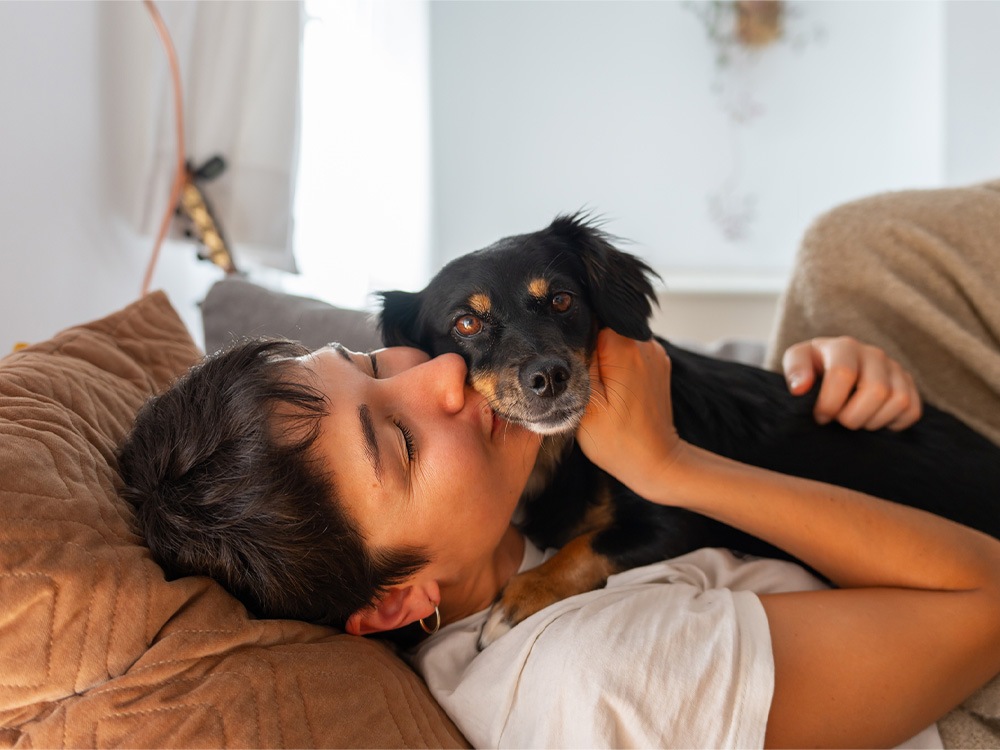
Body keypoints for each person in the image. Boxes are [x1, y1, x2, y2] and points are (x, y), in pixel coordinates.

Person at [117, 320, 1000, 748]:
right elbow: (987, 601)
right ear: (392, 602)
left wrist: (836, 384)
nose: (447, 377)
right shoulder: (594, 682)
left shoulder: (526, 517)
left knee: (848, 279)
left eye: (371, 365)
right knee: (860, 245)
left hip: (900, 529)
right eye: (403, 441)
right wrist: (671, 466)